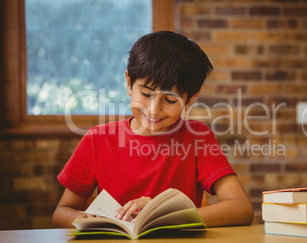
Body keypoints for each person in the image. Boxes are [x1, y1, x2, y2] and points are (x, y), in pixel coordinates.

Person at [52, 31, 254, 228]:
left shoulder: (196, 136)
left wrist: (164, 214)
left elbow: (242, 208)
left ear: (190, 100)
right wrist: (89, 220)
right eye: (146, 94)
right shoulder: (97, 139)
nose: (153, 109)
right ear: (129, 83)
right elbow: (62, 212)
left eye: (169, 100)